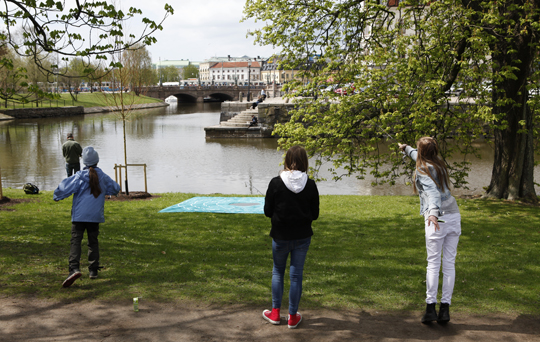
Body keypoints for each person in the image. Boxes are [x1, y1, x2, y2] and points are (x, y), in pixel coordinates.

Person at [399, 138, 461, 324]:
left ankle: (430, 309)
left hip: (438, 217)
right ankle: (444, 311)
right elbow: (417, 156)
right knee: (449, 264)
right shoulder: (438, 163)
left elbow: (433, 193)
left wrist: (433, 213)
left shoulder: (422, 170)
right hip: (454, 215)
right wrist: (406, 149)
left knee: (433, 264)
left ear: (422, 151)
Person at [262, 145, 320, 329]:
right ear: (305, 162)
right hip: (302, 237)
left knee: (278, 271)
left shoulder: (275, 183)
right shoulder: (310, 184)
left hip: (280, 236)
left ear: (286, 160)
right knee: (296, 276)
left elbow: (267, 211)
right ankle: (293, 316)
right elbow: (315, 214)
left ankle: (275, 313)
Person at [54, 146, 120, 288]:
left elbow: (65, 187)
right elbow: (115, 188)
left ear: (83, 161)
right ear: (97, 161)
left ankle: (74, 269)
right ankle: (93, 270)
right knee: (93, 242)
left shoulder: (79, 176)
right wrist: (107, 191)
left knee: (76, 241)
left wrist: (57, 196)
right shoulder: (103, 176)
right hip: (95, 216)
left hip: (79, 216)